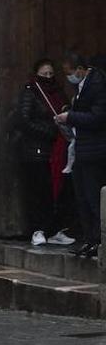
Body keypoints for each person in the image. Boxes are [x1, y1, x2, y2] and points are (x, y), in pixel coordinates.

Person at [15, 59, 74, 247]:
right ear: (36, 74)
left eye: (51, 74)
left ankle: (55, 229)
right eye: (44, 74)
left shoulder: (57, 93)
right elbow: (24, 120)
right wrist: (49, 130)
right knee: (40, 191)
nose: (48, 77)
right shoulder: (30, 93)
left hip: (59, 150)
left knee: (58, 190)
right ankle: (38, 229)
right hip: (37, 150)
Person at [56, 52, 106, 259]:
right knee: (83, 197)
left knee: (93, 197)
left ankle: (98, 240)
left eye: (70, 73)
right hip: (81, 150)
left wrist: (71, 116)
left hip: (94, 150)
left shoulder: (98, 84)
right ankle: (89, 239)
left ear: (80, 69)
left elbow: (98, 117)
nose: (69, 77)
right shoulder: (81, 86)